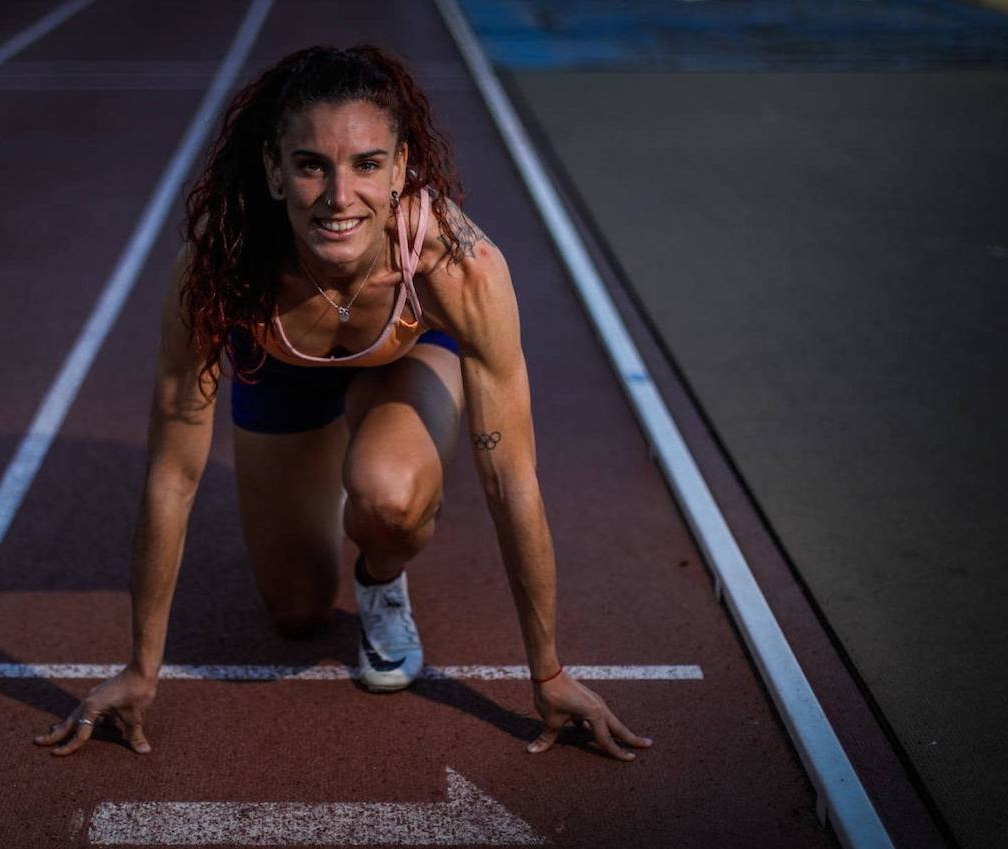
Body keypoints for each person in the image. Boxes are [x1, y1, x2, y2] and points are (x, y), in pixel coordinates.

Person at [34, 45, 652, 761]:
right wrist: (141, 667)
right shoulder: (220, 267)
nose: (338, 196)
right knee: (295, 615)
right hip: (282, 369)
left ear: (399, 168)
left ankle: (381, 579)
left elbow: (511, 478)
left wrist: (547, 670)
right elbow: (173, 473)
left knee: (387, 496)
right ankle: (328, 472)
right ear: (273, 169)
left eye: (365, 164)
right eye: (311, 165)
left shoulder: (457, 266)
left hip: (404, 358)